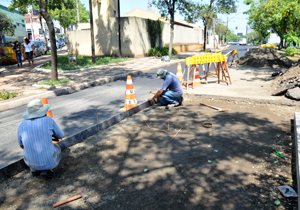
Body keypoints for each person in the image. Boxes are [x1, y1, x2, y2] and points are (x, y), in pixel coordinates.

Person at [18, 99, 64, 178]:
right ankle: (48, 169)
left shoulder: (21, 124)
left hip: (30, 162)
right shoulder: (49, 120)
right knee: (56, 147)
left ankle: (34, 170)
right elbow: (61, 135)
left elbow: (21, 145)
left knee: (28, 151)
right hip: (50, 162)